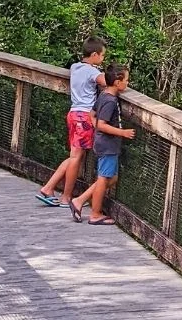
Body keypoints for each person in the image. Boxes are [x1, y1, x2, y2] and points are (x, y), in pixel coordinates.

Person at [37, 38, 106, 208]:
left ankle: (49, 187)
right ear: (94, 54)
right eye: (102, 55)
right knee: (76, 157)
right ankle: (65, 196)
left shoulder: (75, 67)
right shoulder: (92, 72)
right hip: (84, 116)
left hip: (73, 114)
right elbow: (106, 82)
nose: (103, 59)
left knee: (74, 156)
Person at [70, 64, 134, 226]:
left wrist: (97, 126)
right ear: (117, 82)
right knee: (104, 178)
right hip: (108, 145)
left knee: (111, 178)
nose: (128, 83)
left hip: (104, 143)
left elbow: (92, 115)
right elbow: (102, 124)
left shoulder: (103, 95)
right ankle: (95, 214)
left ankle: (80, 200)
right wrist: (123, 133)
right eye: (126, 80)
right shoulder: (110, 101)